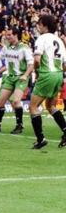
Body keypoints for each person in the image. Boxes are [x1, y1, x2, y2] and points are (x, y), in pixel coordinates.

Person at [0, 28, 34, 134]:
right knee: (0, 102)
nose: (7, 37)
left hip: (21, 77)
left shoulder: (25, 48)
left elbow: (31, 64)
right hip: (10, 78)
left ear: (16, 35)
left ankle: (19, 125)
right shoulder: (6, 47)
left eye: (9, 35)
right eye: (6, 35)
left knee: (16, 101)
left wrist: (25, 75)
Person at [28, 15, 66, 149]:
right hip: (58, 74)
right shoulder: (59, 40)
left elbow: (37, 60)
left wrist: (37, 73)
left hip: (47, 75)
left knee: (33, 107)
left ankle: (40, 139)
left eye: (39, 24)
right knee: (50, 105)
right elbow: (64, 64)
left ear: (44, 25)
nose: (37, 27)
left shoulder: (41, 39)